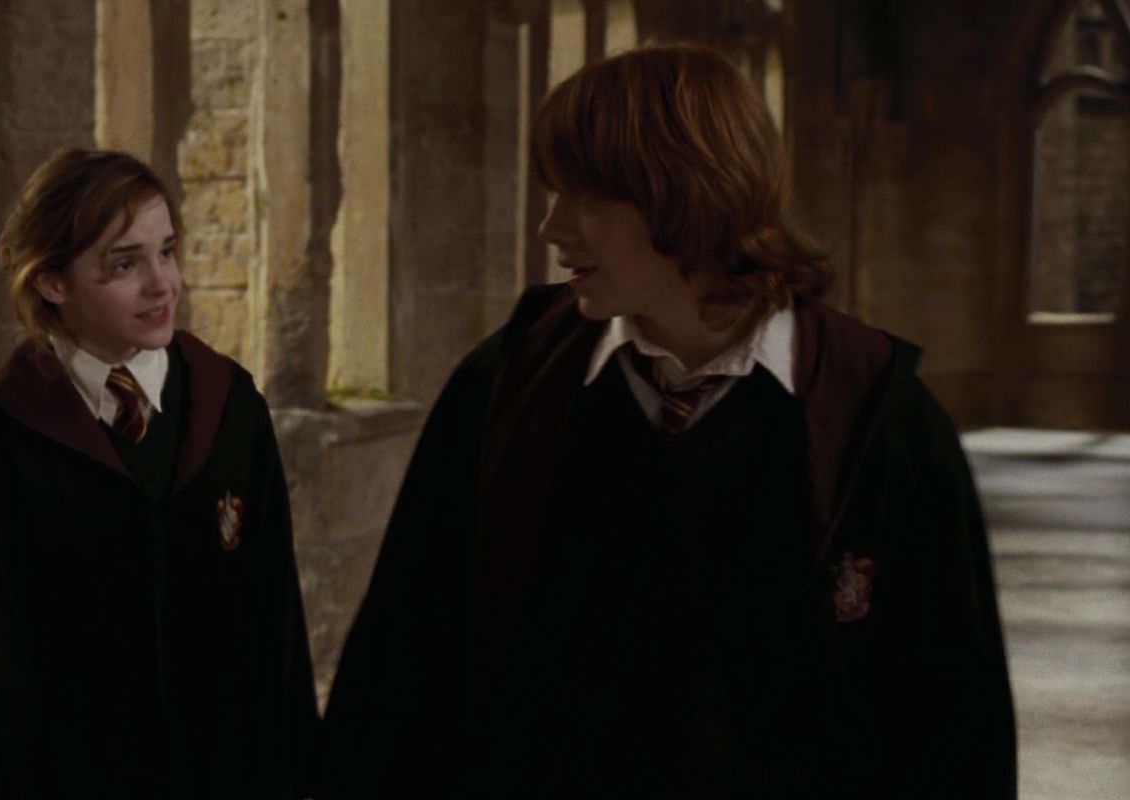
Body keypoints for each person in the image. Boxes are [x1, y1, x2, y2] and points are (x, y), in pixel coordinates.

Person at [321, 44, 1015, 798]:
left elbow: (955, 720)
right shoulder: (508, 386)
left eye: (584, 194)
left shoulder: (874, 418)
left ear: (686, 192)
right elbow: (401, 658)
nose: (551, 227)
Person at [0, 148, 318, 799]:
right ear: (53, 282)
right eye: (125, 264)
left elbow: (275, 622)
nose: (162, 284)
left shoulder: (230, 408)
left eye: (166, 252)